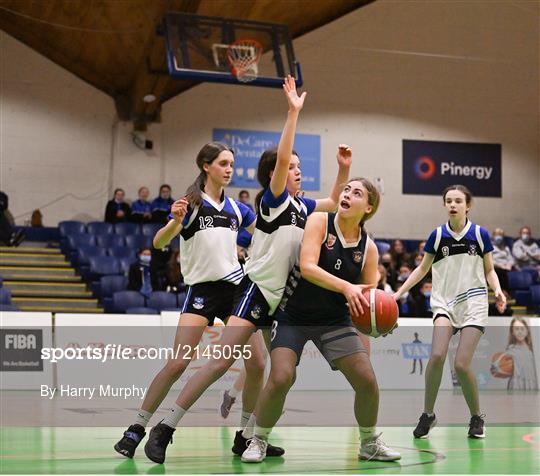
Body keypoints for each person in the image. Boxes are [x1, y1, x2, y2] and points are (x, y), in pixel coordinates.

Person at [139, 75, 354, 464]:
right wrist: (293, 113)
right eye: (292, 167)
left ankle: (252, 435)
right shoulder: (272, 203)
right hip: (255, 292)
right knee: (221, 362)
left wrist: (343, 168)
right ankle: (164, 428)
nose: (298, 172)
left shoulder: (305, 207)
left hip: (283, 305)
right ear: (277, 172)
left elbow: (337, 201)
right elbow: (284, 157)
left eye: (300, 168)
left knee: (274, 371)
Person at [113, 142, 256, 463]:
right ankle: (136, 428)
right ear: (206, 166)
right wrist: (175, 222)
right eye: (223, 163)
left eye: (231, 163)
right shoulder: (190, 205)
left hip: (236, 291)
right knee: (178, 363)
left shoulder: (238, 209)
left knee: (258, 363)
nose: (229, 169)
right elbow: (159, 242)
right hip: (203, 292)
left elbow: (264, 233)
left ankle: (248, 436)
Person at [242, 177, 400, 463]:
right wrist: (346, 287)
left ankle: (369, 443)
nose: (348, 194)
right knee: (281, 377)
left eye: (358, 193)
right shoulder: (319, 221)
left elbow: (368, 298)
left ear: (369, 207)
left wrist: (378, 322)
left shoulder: (369, 249)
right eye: (347, 189)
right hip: (292, 314)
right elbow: (308, 267)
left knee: (366, 379)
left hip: (334, 320)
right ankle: (258, 440)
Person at [393, 184, 505, 439]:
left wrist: (496, 290)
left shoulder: (479, 234)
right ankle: (428, 415)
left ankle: (477, 417)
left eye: (458, 201)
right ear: (444, 205)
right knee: (436, 356)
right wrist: (399, 293)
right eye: (448, 201)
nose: (453, 205)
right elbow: (422, 269)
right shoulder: (437, 235)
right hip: (444, 302)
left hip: (474, 303)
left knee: (462, 364)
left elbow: (489, 269)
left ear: (468, 205)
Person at [505, 317, 538, 390]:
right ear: (512, 332)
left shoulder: (533, 350)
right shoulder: (510, 351)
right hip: (516, 386)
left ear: (527, 330)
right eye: (516, 329)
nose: (520, 332)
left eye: (522, 328)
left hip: (532, 384)